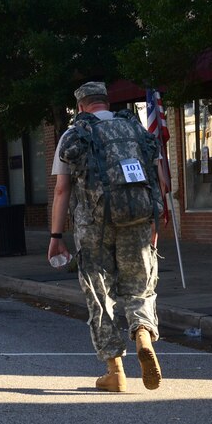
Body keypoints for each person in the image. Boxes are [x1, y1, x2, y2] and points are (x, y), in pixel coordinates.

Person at [48, 81, 167, 392]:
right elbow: (161, 180)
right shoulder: (136, 131)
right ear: (105, 101)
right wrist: (154, 222)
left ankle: (115, 372)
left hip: (93, 228)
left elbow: (62, 190)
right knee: (139, 287)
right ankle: (142, 333)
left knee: (101, 296)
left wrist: (55, 236)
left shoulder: (74, 134)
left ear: (81, 106)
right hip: (137, 221)